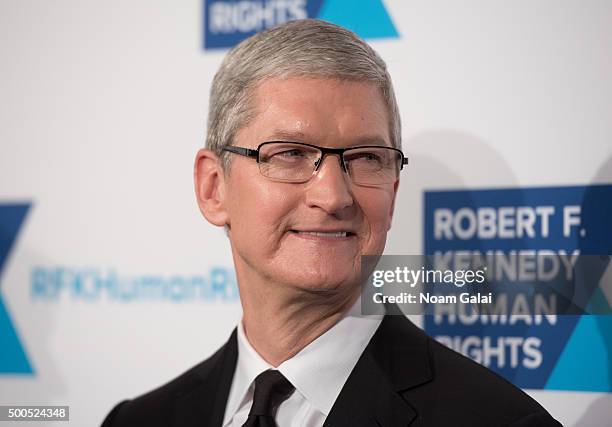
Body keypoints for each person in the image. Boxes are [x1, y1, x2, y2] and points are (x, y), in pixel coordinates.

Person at [101, 19, 561, 427]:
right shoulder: (140, 419)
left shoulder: (501, 421)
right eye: (290, 154)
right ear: (213, 187)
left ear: (394, 192)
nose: (334, 196)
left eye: (365, 159)